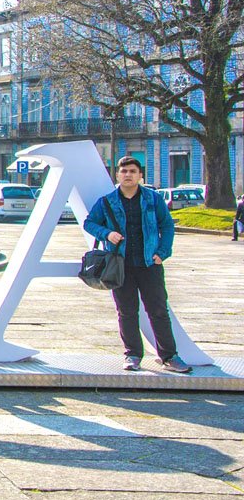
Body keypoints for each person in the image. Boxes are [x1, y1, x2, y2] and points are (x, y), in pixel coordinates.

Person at [84, 156, 191, 373]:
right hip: (120, 266)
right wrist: (107, 234)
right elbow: (89, 222)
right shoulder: (107, 202)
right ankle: (132, 355)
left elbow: (167, 226)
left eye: (133, 171)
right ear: (117, 175)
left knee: (158, 310)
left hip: (149, 264)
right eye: (124, 171)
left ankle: (169, 356)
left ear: (140, 175)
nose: (128, 175)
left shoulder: (153, 199)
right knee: (126, 311)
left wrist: (162, 252)